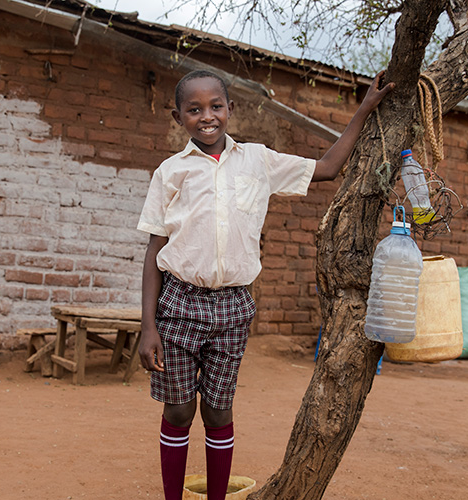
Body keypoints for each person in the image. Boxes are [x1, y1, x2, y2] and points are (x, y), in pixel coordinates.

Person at [136, 69, 394, 500]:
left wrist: (365, 107)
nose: (207, 116)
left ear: (230, 110)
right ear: (179, 116)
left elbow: (328, 168)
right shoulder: (170, 172)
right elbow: (153, 252)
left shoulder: (258, 160)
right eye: (194, 109)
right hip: (178, 304)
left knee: (219, 411)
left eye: (215, 106)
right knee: (179, 410)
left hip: (233, 306)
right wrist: (148, 326)